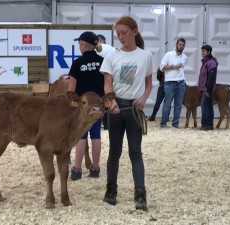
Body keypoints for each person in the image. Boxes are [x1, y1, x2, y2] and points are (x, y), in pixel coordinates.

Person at [100, 16, 152, 211]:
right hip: (115, 108)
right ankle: (110, 192)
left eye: (124, 32)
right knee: (114, 151)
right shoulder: (112, 56)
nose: (121, 37)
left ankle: (140, 195)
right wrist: (110, 101)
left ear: (134, 31)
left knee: (135, 153)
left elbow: (148, 84)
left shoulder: (145, 56)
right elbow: (107, 83)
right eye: (118, 34)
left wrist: (144, 98)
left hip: (134, 110)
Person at [68, 31, 105, 180]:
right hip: (98, 104)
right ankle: (95, 169)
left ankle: (77, 170)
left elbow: (71, 90)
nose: (79, 47)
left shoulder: (77, 63)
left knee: (81, 136)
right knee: (96, 136)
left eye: (80, 44)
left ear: (84, 45)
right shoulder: (103, 61)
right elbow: (108, 83)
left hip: (83, 107)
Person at [160, 38, 187, 128]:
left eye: (183, 45)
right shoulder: (169, 55)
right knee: (167, 104)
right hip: (170, 82)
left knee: (178, 105)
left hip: (181, 83)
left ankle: (175, 124)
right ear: (176, 44)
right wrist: (174, 66)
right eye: (180, 44)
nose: (181, 46)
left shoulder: (184, 57)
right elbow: (162, 68)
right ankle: (163, 124)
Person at [198, 44, 218, 131]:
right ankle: (209, 125)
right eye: (201, 51)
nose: (202, 53)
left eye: (204, 51)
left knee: (205, 106)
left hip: (207, 89)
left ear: (209, 52)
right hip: (203, 88)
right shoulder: (206, 62)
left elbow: (211, 77)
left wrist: (207, 89)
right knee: (208, 106)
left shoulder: (211, 62)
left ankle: (206, 125)